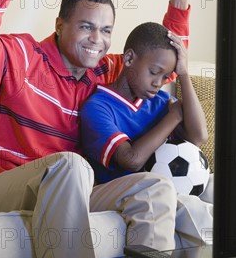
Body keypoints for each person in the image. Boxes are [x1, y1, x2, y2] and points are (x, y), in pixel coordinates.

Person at [0, 0, 195, 258]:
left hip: (68, 194)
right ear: (60, 25)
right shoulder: (22, 58)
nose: (98, 40)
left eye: (106, 30)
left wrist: (179, 0)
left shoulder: (106, 72)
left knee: (155, 188)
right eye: (87, 27)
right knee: (71, 165)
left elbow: (161, 70)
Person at [80, 22, 214, 246]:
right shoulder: (98, 106)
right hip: (129, 190)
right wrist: (173, 117)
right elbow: (131, 160)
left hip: (169, 185)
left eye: (165, 77)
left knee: (215, 186)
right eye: (154, 72)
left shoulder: (159, 100)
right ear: (130, 59)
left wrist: (183, 75)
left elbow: (199, 136)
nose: (158, 83)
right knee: (190, 207)